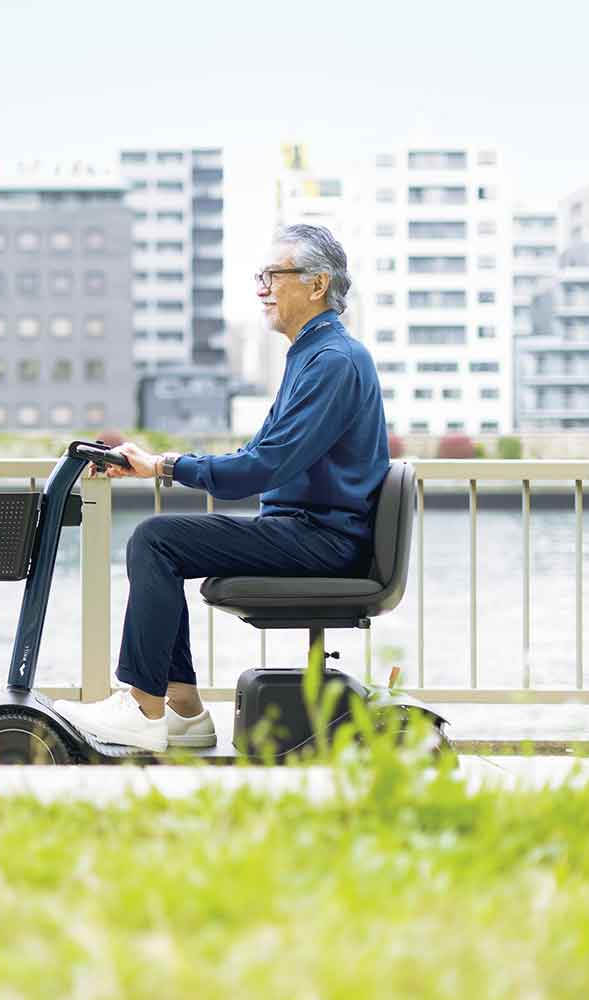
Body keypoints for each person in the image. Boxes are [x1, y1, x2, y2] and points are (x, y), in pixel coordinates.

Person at [53, 224, 389, 751]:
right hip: (305, 529)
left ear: (317, 285)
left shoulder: (334, 363)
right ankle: (184, 713)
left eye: (273, 275)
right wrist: (158, 464)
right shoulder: (312, 357)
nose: (262, 288)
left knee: (156, 540)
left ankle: (144, 709)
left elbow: (260, 469)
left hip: (322, 539)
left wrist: (166, 467)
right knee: (163, 543)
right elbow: (255, 456)